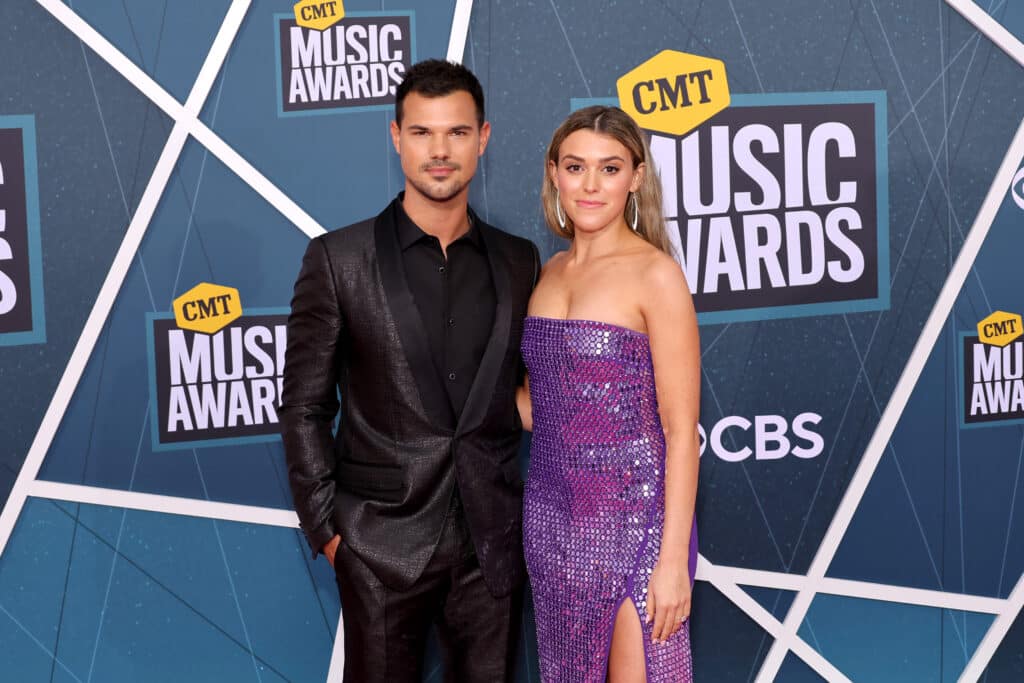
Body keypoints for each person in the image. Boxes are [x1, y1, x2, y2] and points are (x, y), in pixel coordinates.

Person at [279, 59, 540, 683]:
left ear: (483, 138)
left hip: (491, 547)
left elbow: (526, 390)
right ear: (396, 137)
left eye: (457, 132)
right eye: (422, 132)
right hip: (378, 543)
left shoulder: (519, 261)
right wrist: (330, 532)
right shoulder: (338, 259)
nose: (440, 151)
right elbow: (304, 406)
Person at [517, 105, 700, 682]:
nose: (591, 185)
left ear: (636, 177)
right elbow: (541, 410)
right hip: (551, 523)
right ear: (554, 174)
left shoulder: (656, 275)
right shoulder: (547, 273)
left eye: (610, 168)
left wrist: (672, 561)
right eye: (576, 167)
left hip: (637, 523)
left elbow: (680, 432)